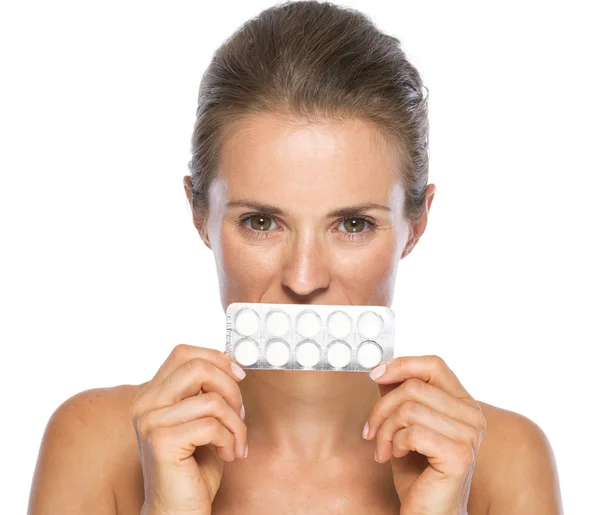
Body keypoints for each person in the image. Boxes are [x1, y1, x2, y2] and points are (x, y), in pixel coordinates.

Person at [27, 1, 563, 514]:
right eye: (261, 222)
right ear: (199, 216)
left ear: (415, 226)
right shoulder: (93, 444)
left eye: (353, 225)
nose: (304, 279)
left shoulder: (505, 460)